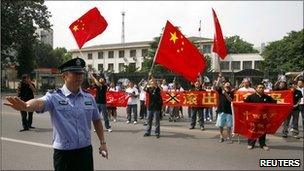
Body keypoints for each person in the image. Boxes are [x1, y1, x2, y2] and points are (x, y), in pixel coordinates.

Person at [4, 58, 108, 171]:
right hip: (64, 154)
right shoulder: (54, 96)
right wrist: (26, 106)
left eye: (81, 73)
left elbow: (97, 120)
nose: (80, 76)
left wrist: (103, 143)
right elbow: (39, 103)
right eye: (75, 73)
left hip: (85, 151)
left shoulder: (89, 98)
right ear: (64, 76)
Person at [244, 83, 277, 151]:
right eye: (259, 87)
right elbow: (244, 105)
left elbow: (275, 103)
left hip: (263, 118)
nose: (261, 89)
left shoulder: (267, 97)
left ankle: (262, 144)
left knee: (262, 131)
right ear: (256, 89)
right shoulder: (251, 97)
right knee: (253, 131)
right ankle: (251, 144)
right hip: (253, 118)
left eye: (262, 87)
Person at [214, 74, 234, 144]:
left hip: (229, 111)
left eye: (229, 84)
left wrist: (225, 93)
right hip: (221, 110)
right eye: (226, 84)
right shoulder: (220, 90)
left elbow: (230, 100)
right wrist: (219, 78)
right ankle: (221, 136)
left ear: (230, 86)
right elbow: (216, 86)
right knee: (220, 125)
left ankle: (229, 136)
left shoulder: (231, 92)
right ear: (224, 85)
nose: (227, 85)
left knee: (229, 126)